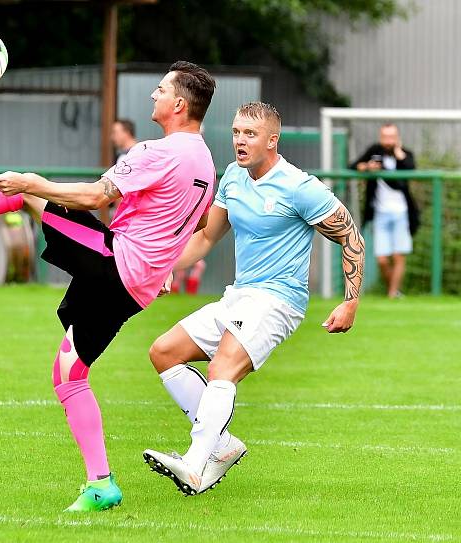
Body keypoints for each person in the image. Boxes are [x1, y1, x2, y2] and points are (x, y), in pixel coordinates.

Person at [0, 61, 217, 512]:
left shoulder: (160, 152)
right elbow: (185, 223)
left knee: (23, 193)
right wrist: (162, 270)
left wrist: (33, 183)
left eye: (160, 90)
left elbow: (96, 196)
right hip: (132, 284)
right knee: (69, 375)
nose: (152, 96)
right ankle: (101, 485)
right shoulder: (204, 160)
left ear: (179, 104)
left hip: (114, 263)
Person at [142, 101, 365, 496]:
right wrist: (163, 269)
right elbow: (207, 237)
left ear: (272, 141)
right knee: (164, 352)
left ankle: (195, 464)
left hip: (279, 300)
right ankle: (222, 445)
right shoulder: (232, 176)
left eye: (250, 134)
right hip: (240, 295)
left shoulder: (300, 187)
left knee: (222, 367)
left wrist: (350, 301)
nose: (240, 141)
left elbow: (350, 235)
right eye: (235, 132)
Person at [350, 123, 419, 298]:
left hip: (402, 213)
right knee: (381, 259)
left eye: (391, 137)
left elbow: (411, 169)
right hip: (379, 213)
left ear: (397, 138)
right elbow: (353, 165)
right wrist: (366, 167)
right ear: (381, 137)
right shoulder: (374, 151)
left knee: (398, 256)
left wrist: (399, 154)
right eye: (385, 137)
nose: (388, 141)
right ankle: (394, 291)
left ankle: (391, 295)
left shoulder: (405, 154)